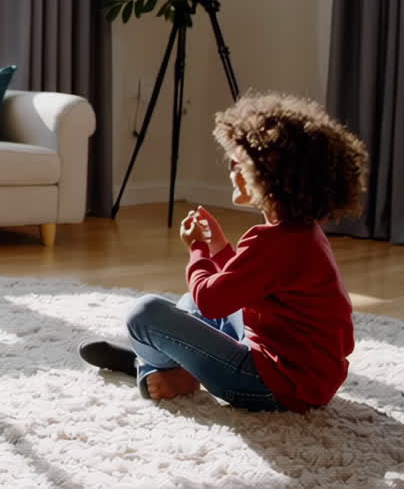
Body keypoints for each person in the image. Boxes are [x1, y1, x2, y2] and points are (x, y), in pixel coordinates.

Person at [79, 92, 369, 412]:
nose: (231, 168)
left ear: (270, 180)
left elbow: (211, 299)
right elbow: (245, 286)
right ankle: (174, 367)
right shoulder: (302, 234)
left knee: (144, 314)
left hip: (275, 387)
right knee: (189, 303)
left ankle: (150, 366)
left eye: (239, 163)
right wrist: (218, 247)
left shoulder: (273, 242)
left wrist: (198, 249)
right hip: (303, 378)